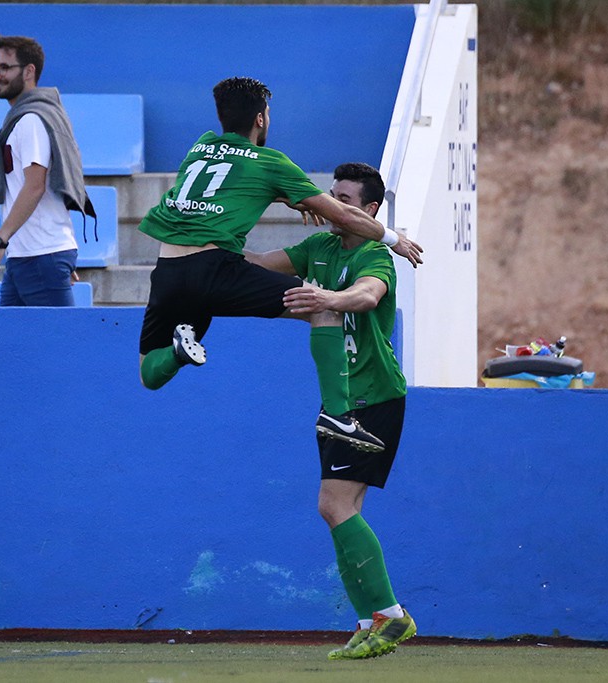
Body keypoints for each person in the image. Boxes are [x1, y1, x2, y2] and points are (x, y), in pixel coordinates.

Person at [137, 76, 423, 450]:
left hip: (168, 271)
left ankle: (178, 352)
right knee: (322, 307)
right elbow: (345, 216)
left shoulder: (201, 147)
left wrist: (287, 197)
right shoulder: (271, 162)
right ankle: (339, 415)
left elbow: (227, 185)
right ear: (261, 119)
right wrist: (394, 238)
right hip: (216, 270)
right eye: (267, 113)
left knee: (148, 372)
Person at [245, 162, 415, 660]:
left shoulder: (373, 254)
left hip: (373, 397)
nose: (332, 205)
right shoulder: (318, 248)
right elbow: (259, 263)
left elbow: (367, 296)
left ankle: (391, 616)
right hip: (340, 398)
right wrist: (212, 246)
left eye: (344, 198)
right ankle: (370, 621)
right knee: (339, 508)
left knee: (334, 505)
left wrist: (329, 297)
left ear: (369, 212)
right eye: (331, 196)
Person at [0, 34, 96, 306]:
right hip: (28, 257)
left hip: (40, 256)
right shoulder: (21, 118)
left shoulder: (31, 120)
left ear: (29, 71)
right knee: (10, 345)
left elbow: (34, 186)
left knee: (60, 346)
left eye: (5, 68)